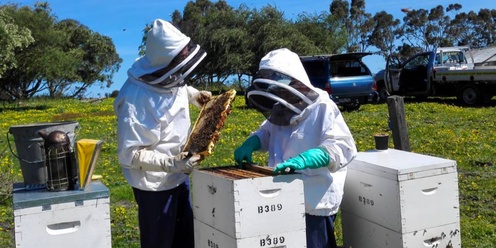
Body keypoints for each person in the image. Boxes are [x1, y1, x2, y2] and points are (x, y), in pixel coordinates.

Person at [234, 48, 357, 248]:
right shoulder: (280, 107)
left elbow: (343, 146)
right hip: (283, 196)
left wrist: (314, 156)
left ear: (297, 82)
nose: (281, 94)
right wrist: (251, 143)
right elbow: (266, 133)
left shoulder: (323, 107)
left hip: (314, 199)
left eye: (283, 89)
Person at [114, 19, 211, 248]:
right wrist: (170, 163)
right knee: (160, 242)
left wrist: (194, 95)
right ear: (164, 63)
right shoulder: (135, 100)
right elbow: (130, 155)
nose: (179, 74)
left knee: (185, 238)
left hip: (179, 174)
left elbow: (176, 87)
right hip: (153, 185)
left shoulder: (167, 73)